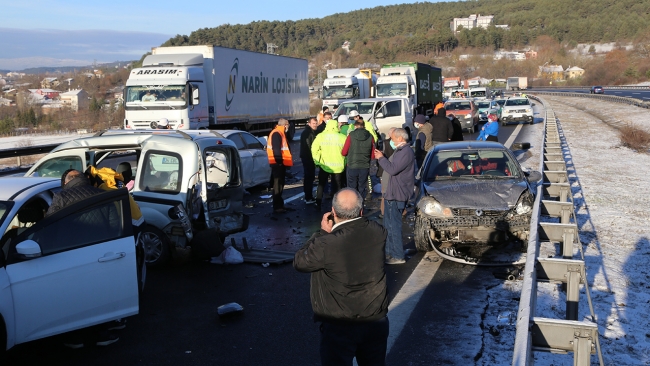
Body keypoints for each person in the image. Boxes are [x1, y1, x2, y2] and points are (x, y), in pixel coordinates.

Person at [293, 188, 389, 366]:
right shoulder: (378, 232)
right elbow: (364, 225)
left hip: (339, 324)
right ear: (361, 211)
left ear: (333, 212)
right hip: (375, 319)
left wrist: (321, 233)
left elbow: (300, 262)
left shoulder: (326, 243)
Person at [46, 169, 124, 348]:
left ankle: (76, 337)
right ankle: (102, 333)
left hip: (70, 254)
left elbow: (49, 228)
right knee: (99, 292)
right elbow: (114, 227)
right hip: (99, 253)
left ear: (66, 182)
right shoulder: (102, 195)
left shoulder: (61, 198)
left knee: (73, 295)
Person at [374, 128, 415, 265]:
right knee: (388, 224)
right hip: (392, 192)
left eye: (392, 138)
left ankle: (397, 255)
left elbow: (392, 169)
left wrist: (381, 159)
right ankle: (390, 252)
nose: (391, 141)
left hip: (397, 193)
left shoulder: (405, 152)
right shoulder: (401, 151)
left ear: (400, 139)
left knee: (394, 225)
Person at [311, 120, 346, 210]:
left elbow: (314, 150)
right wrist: (344, 162)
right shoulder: (342, 137)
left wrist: (318, 162)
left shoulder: (321, 136)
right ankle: (337, 207)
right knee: (337, 187)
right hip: (338, 166)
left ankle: (318, 202)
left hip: (325, 165)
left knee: (321, 185)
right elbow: (347, 151)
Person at [342, 120, 375, 201]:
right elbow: (373, 154)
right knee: (362, 188)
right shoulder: (370, 136)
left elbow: (344, 152)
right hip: (364, 166)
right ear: (364, 126)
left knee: (351, 188)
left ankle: (352, 208)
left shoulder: (351, 135)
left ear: (355, 126)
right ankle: (360, 208)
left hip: (352, 165)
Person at [267, 119, 294, 214]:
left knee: (280, 185)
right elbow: (276, 150)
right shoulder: (277, 133)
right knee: (278, 186)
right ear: (285, 125)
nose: (288, 127)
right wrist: (279, 162)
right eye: (288, 126)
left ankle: (280, 205)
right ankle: (277, 207)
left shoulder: (280, 132)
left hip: (280, 163)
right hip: (278, 164)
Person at [300, 117, 319, 205]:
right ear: (309, 124)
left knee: (309, 177)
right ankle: (308, 197)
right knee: (309, 177)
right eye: (313, 123)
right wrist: (313, 158)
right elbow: (308, 146)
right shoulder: (307, 133)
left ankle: (308, 195)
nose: (315, 125)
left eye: (316, 123)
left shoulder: (311, 132)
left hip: (308, 157)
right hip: (308, 158)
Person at [377, 127, 396, 219]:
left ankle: (385, 212)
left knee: (391, 192)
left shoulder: (397, 144)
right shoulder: (385, 143)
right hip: (385, 171)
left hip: (389, 171)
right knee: (385, 193)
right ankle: (384, 212)